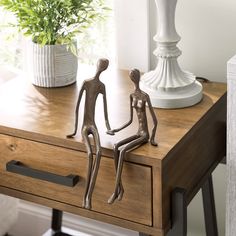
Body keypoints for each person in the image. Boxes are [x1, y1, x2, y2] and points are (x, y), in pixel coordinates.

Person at [67, 58, 113, 209]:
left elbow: (106, 111)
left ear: (104, 68)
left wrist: (108, 127)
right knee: (89, 154)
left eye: (104, 66)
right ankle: (85, 197)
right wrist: (74, 130)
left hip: (93, 125)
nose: (101, 67)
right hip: (85, 126)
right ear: (97, 65)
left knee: (99, 152)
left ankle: (88, 197)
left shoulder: (102, 86)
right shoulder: (86, 83)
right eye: (101, 64)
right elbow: (77, 107)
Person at [107, 69, 158, 204]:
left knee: (123, 151)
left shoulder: (145, 96)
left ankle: (116, 190)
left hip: (144, 134)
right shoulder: (132, 96)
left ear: (138, 78)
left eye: (135, 76)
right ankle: (121, 188)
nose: (134, 79)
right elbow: (130, 120)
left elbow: (155, 120)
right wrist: (116, 129)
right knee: (116, 147)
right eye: (132, 77)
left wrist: (152, 138)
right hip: (137, 132)